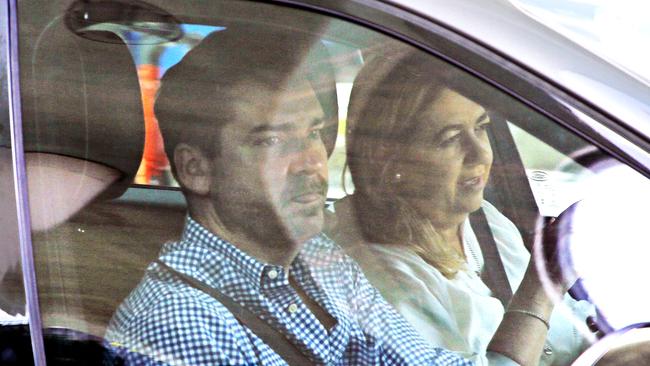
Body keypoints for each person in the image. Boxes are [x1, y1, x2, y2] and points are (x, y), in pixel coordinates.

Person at [105, 27, 473, 366]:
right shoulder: (181, 324)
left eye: (314, 132)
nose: (312, 163)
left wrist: (534, 295)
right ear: (196, 169)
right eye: (273, 141)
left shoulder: (319, 261)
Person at [328, 50, 594, 366]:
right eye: (450, 139)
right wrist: (542, 285)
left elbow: (571, 329)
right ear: (390, 159)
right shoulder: (379, 282)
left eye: (481, 127)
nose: (480, 154)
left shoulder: (484, 223)